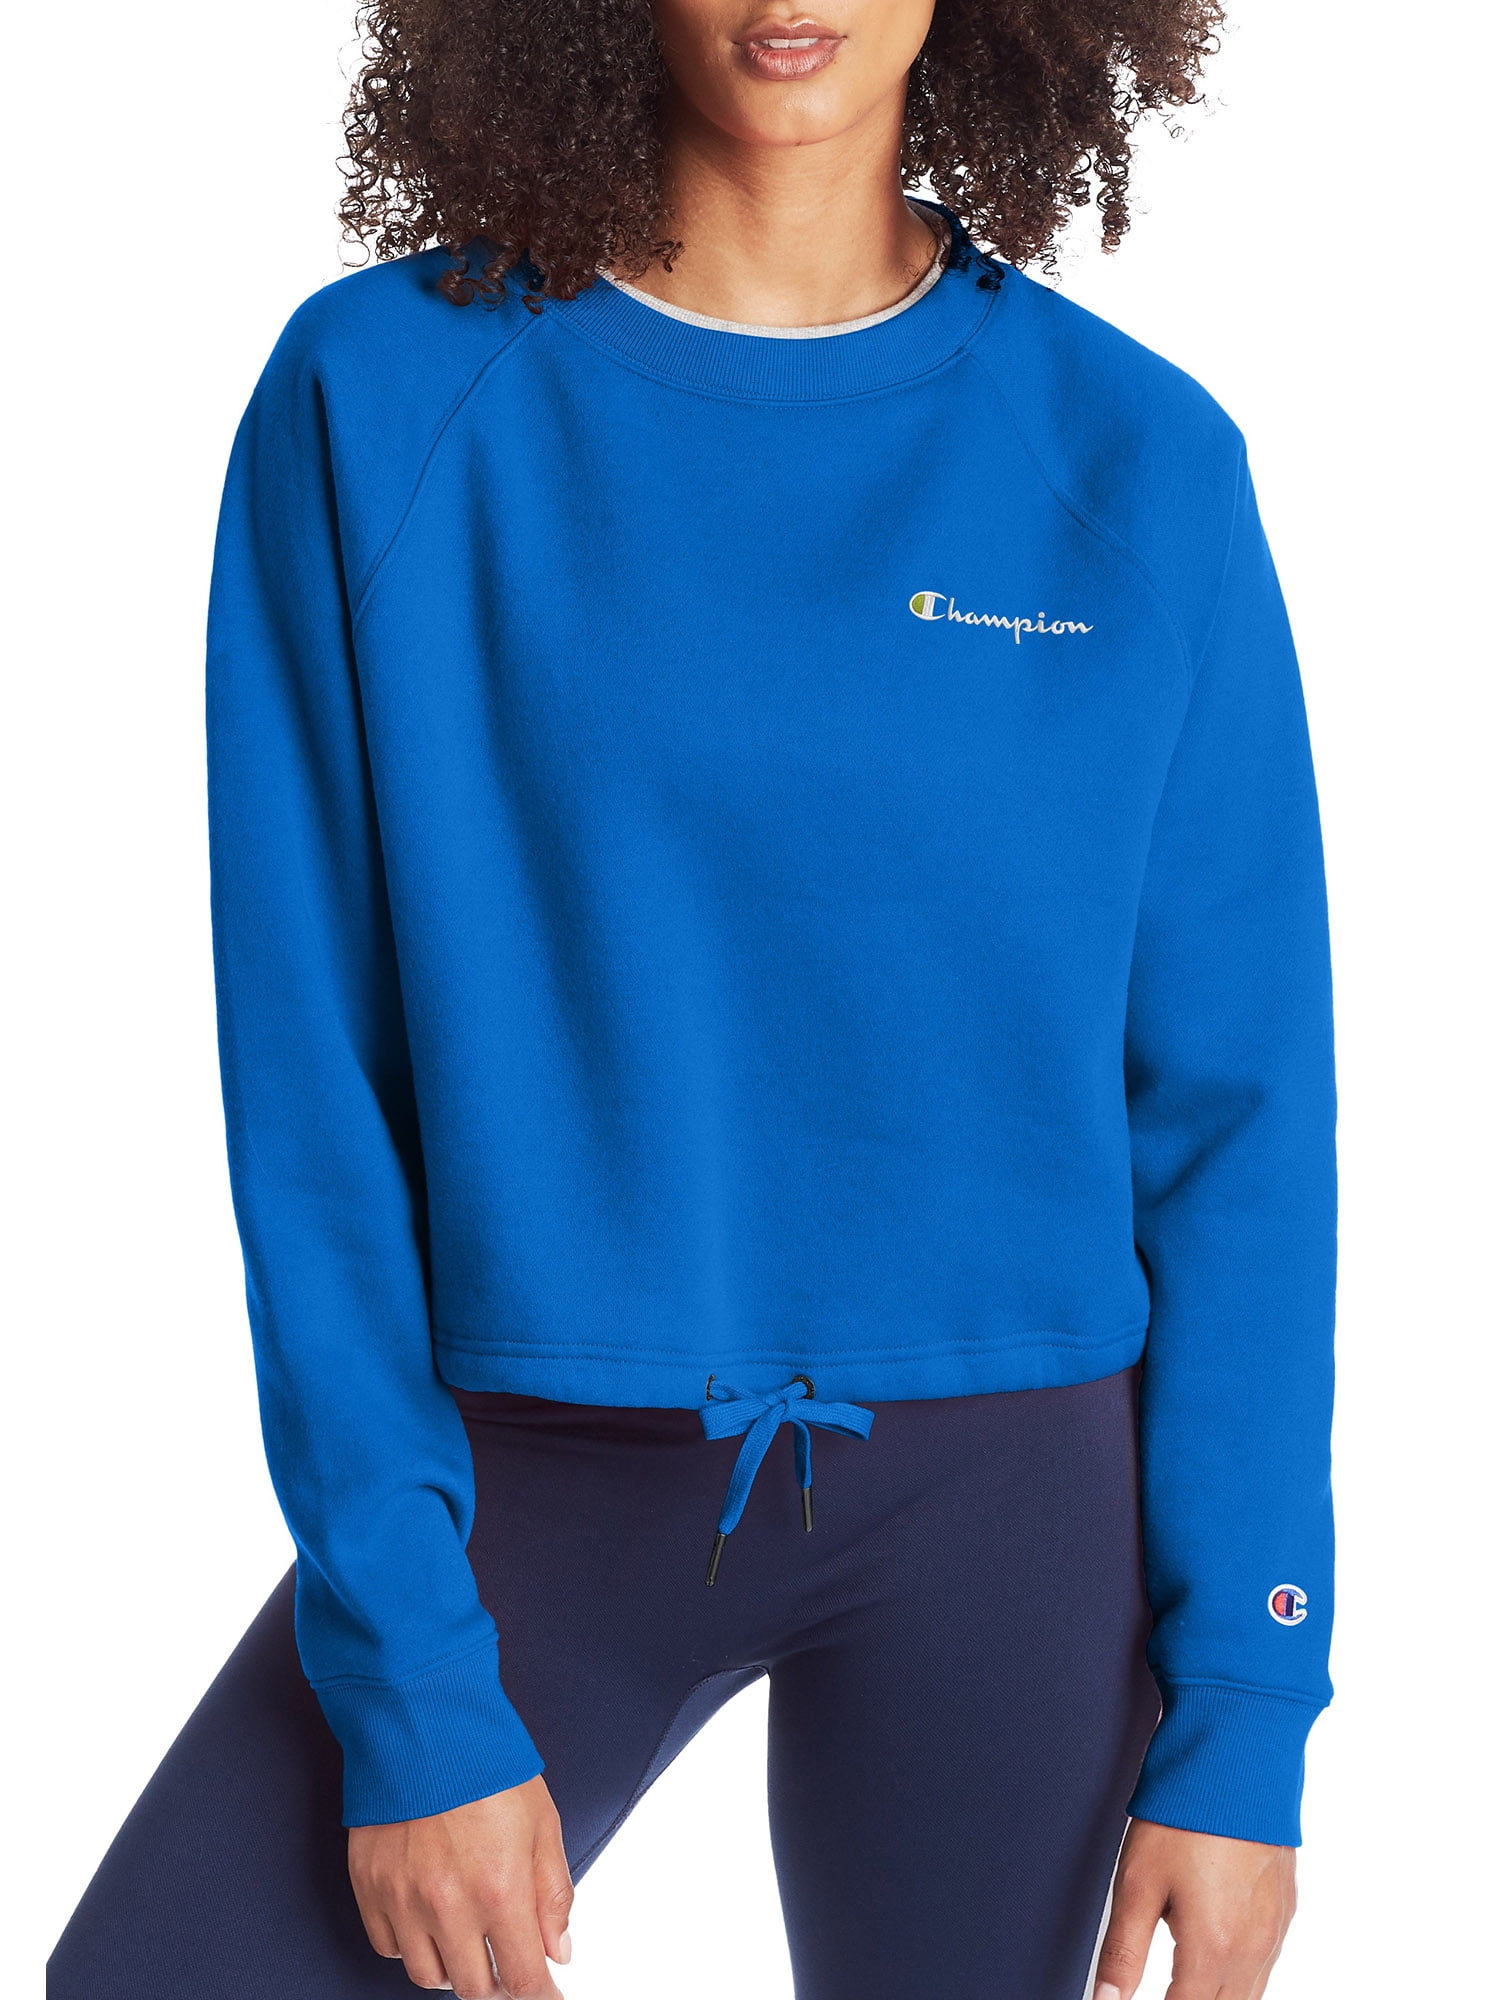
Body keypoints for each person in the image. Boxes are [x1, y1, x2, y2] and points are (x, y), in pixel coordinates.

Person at [48, 2, 1336, 1996]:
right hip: (532, 1468)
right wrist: (412, 1687)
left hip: (1010, 1497)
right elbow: (313, 1086)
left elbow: (1240, 1117)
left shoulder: (1136, 459)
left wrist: (1246, 1707)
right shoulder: (386, 397)